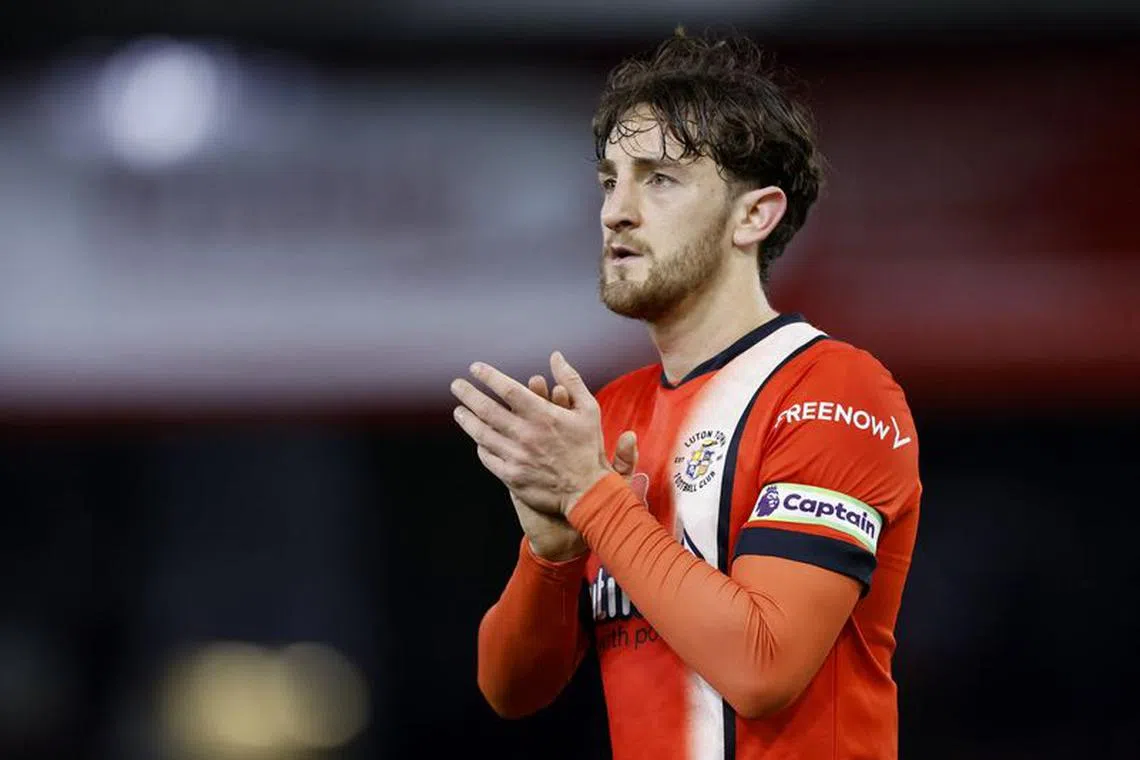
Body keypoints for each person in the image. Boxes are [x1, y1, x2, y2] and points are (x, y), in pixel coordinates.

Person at [449, 29, 921, 760]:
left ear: (754, 215)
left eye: (658, 178)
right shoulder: (614, 415)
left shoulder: (835, 389)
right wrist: (550, 553)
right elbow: (511, 688)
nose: (616, 212)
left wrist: (591, 496)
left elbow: (763, 668)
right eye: (610, 180)